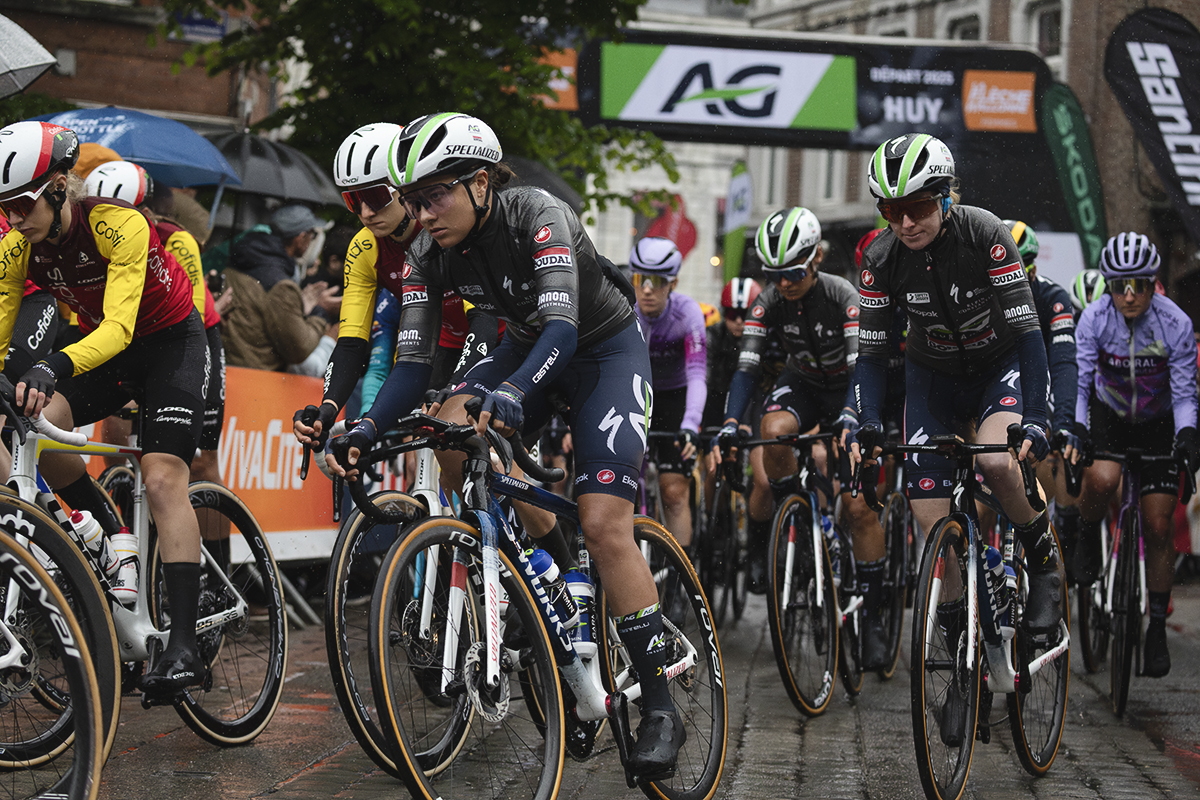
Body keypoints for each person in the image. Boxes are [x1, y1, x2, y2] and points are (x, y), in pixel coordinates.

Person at [323, 112, 684, 777]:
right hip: (526, 346)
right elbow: (411, 365)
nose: (421, 213)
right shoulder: (428, 253)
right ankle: (538, 572)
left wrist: (516, 392)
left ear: (481, 182)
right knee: (449, 430)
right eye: (413, 199)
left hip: (600, 351)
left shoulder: (538, 214)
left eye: (435, 195)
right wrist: (367, 428)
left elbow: (562, 329)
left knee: (604, 522)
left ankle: (661, 707)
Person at [0, 121, 209, 695]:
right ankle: (107, 531)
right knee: (38, 427)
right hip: (108, 351)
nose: (14, 219)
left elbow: (119, 327)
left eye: (22, 205)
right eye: (4, 209)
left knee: (161, 477)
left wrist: (53, 366)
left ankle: (184, 645)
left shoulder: (119, 224)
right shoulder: (16, 246)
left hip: (168, 344)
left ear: (58, 187)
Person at [850, 133, 1062, 655]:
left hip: (998, 367)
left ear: (946, 197)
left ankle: (1043, 563)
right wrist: (867, 422)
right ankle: (964, 651)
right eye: (892, 210)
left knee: (996, 464)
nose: (906, 223)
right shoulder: (880, 258)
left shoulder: (985, 233)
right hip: (933, 379)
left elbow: (1029, 334)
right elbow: (871, 356)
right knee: (934, 527)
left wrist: (1037, 417)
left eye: (919, 206)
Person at [710, 207, 860, 599]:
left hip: (846, 384)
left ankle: (868, 593)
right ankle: (794, 511)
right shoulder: (767, 301)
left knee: (857, 502)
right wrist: (730, 424)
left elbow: (861, 368)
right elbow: (746, 369)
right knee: (772, 430)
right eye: (774, 275)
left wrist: (851, 414)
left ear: (817, 258)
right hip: (803, 383)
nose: (784, 284)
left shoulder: (842, 295)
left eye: (793, 272)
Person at [1070, 232, 1199, 677]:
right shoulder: (1094, 318)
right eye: (1119, 286)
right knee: (1103, 479)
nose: (1129, 296)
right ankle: (1088, 532)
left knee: (1159, 525)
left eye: (1139, 285)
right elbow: (1081, 381)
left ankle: (1156, 626)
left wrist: (1187, 435)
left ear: (1152, 284)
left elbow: (1185, 393)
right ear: (1108, 286)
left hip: (1159, 419)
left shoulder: (1175, 323)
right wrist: (1079, 427)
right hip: (1110, 413)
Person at [83, 161, 228, 504]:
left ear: (145, 213)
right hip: (131, 339)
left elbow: (191, 315)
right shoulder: (91, 242)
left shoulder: (176, 240)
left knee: (201, 463)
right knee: (115, 443)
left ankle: (217, 539)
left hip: (189, 336)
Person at [1004, 220, 1081, 581]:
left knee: (1046, 454)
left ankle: (1048, 548)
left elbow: (1063, 364)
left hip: (1040, 382)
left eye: (1021, 271)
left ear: (1033, 270)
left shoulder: (1053, 298)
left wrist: (1063, 422)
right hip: (998, 384)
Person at [630, 236, 706, 552]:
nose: (647, 289)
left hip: (676, 398)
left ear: (673, 283)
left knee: (674, 492)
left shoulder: (688, 314)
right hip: (634, 394)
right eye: (640, 279)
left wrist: (691, 424)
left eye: (657, 281)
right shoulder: (625, 310)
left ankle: (680, 573)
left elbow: (697, 374)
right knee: (623, 485)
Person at [221, 204, 340, 373]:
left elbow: (257, 313)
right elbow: (298, 350)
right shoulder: (281, 285)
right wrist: (320, 311)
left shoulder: (242, 258)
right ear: (301, 238)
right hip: (257, 377)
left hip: (226, 367)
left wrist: (300, 304)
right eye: (312, 235)